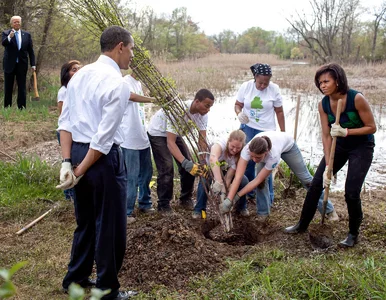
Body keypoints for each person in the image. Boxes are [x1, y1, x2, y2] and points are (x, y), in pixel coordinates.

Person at [56, 26, 154, 300]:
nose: (132, 55)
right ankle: (107, 289)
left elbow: (65, 123)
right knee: (110, 224)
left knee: (85, 220)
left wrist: (68, 162)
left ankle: (75, 279)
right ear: (120, 46)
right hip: (101, 160)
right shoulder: (118, 84)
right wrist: (79, 169)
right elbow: (102, 140)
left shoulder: (81, 74)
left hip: (77, 152)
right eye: (132, 49)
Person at [285, 63, 376, 248]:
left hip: (361, 146)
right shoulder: (324, 104)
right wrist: (328, 165)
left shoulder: (356, 98)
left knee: (351, 192)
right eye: (320, 83)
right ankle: (302, 225)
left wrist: (347, 132)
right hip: (339, 145)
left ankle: (353, 233)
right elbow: (326, 135)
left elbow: (372, 127)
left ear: (338, 80)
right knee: (316, 183)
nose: (322, 86)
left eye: (326, 81)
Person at [220, 131, 337, 222]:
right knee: (262, 184)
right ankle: (263, 214)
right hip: (263, 147)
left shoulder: (273, 155)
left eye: (258, 158)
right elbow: (238, 177)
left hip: (288, 147)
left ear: (266, 152)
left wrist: (238, 195)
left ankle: (329, 210)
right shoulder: (247, 150)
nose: (254, 160)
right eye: (252, 157)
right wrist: (230, 199)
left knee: (306, 180)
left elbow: (257, 180)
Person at [147, 89, 215, 214]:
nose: (208, 109)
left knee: (191, 165)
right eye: (206, 106)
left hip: (175, 134)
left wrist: (202, 161)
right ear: (196, 101)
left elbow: (202, 140)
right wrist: (184, 163)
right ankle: (163, 205)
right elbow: (170, 143)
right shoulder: (178, 110)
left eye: (210, 107)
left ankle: (185, 198)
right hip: (158, 132)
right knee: (167, 167)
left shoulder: (203, 115)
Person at [235, 63, 285, 204]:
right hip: (248, 128)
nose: (263, 86)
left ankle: (268, 196)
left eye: (266, 83)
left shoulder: (274, 89)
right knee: (248, 161)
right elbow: (238, 104)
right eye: (260, 82)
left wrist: (283, 132)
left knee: (265, 164)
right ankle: (250, 192)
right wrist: (239, 114)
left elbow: (279, 111)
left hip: (266, 130)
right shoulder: (246, 86)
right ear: (255, 77)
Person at [121, 72, 154, 224]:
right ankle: (126, 212)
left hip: (142, 137)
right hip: (129, 140)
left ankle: (145, 203)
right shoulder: (125, 81)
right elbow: (131, 96)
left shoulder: (138, 83)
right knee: (131, 177)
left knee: (146, 174)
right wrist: (153, 99)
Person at [193, 129, 249, 218]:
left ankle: (241, 208)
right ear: (228, 141)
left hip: (225, 169)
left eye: (238, 148)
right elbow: (213, 159)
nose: (235, 150)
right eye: (232, 146)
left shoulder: (240, 154)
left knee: (244, 180)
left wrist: (223, 195)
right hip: (211, 166)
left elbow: (228, 177)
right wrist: (218, 181)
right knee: (205, 178)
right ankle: (199, 209)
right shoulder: (220, 144)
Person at [56, 60, 81, 201]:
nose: (77, 71)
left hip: (75, 132)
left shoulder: (77, 88)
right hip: (66, 132)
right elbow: (63, 117)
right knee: (68, 161)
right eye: (73, 69)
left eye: (79, 69)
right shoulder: (64, 91)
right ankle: (68, 194)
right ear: (67, 74)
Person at [2, 16, 35, 109]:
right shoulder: (6, 33)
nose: (17, 23)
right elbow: (4, 43)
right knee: (8, 87)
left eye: (18, 22)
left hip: (22, 64)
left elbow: (30, 51)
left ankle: (21, 107)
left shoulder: (27, 35)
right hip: (9, 64)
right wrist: (9, 37)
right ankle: (7, 107)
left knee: (22, 87)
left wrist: (33, 64)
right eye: (15, 22)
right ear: (11, 24)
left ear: (21, 23)